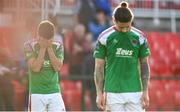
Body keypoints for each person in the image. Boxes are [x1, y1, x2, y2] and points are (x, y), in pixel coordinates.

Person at [93, 1, 150, 111]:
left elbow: (144, 65)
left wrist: (146, 91)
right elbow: (99, 67)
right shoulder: (104, 37)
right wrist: (99, 93)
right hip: (113, 93)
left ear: (131, 21)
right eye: (121, 27)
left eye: (127, 27)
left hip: (135, 92)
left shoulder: (140, 37)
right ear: (114, 21)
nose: (124, 30)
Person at [24, 20, 65, 111]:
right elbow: (36, 68)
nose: (47, 41)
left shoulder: (58, 46)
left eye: (49, 39)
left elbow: (57, 67)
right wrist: (43, 48)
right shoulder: (29, 46)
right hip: (36, 93)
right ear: (38, 36)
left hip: (54, 91)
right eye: (44, 39)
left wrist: (49, 47)